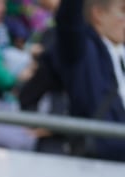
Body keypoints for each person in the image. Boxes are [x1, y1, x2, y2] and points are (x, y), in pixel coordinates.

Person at [53, 0, 125, 161]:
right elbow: (68, 19)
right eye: (123, 11)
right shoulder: (82, 51)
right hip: (100, 162)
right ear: (98, 14)